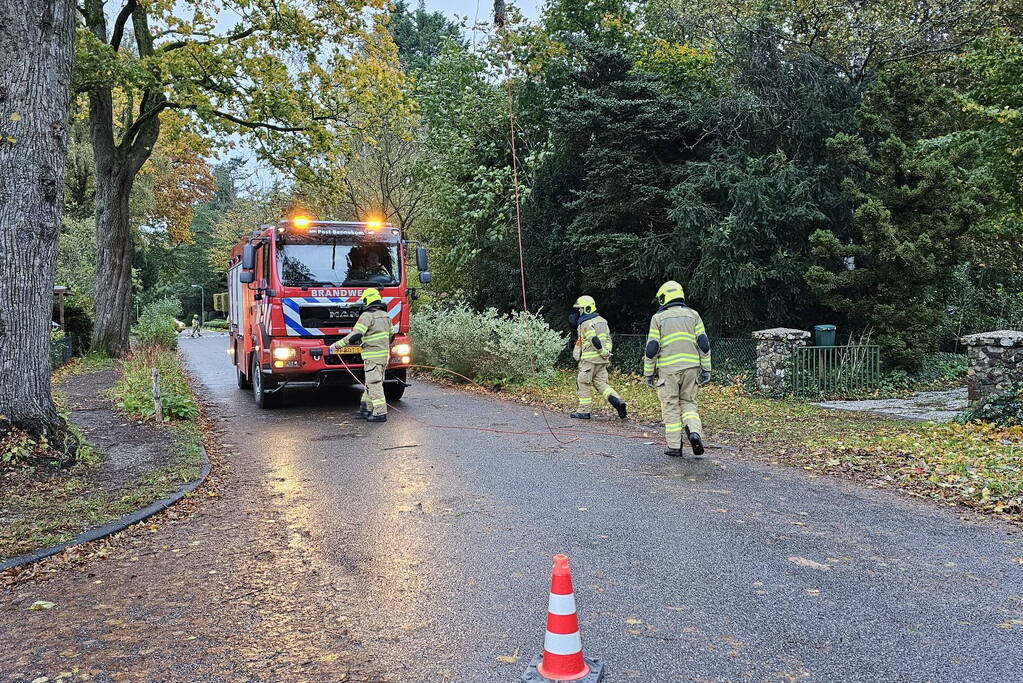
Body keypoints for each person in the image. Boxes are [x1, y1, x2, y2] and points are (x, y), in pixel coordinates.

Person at [643, 281, 711, 457]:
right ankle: (694, 433)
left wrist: (648, 373)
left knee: (671, 406)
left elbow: (652, 348)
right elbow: (703, 343)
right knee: (689, 404)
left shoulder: (658, 318)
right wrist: (706, 369)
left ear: (664, 297)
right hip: (691, 368)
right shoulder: (693, 315)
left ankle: (674, 446)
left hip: (669, 370)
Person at [329, 288, 391, 422]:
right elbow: (391, 335)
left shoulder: (367, 316)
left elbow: (355, 334)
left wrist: (336, 346)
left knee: (374, 384)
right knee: (370, 383)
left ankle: (380, 413)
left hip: (372, 357)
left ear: (367, 300)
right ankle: (366, 408)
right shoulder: (385, 316)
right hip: (383, 357)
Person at [569, 295, 627, 420]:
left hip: (590, 360)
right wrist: (606, 352)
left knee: (582, 382)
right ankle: (618, 402)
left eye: (580, 309)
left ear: (587, 308)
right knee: (601, 384)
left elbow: (593, 339)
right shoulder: (602, 320)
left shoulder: (585, 322)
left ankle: (583, 411)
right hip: (602, 360)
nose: (579, 311)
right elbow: (608, 338)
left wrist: (601, 351)